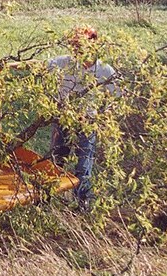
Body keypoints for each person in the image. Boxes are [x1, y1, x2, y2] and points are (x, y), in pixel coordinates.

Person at [48, 26, 118, 210]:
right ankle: (45, 200)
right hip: (63, 120)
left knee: (84, 165)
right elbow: (40, 66)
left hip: (88, 123)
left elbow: (115, 97)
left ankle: (82, 204)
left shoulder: (105, 71)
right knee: (56, 161)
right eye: (75, 46)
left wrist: (103, 117)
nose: (77, 50)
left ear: (93, 45)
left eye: (81, 46)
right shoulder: (62, 63)